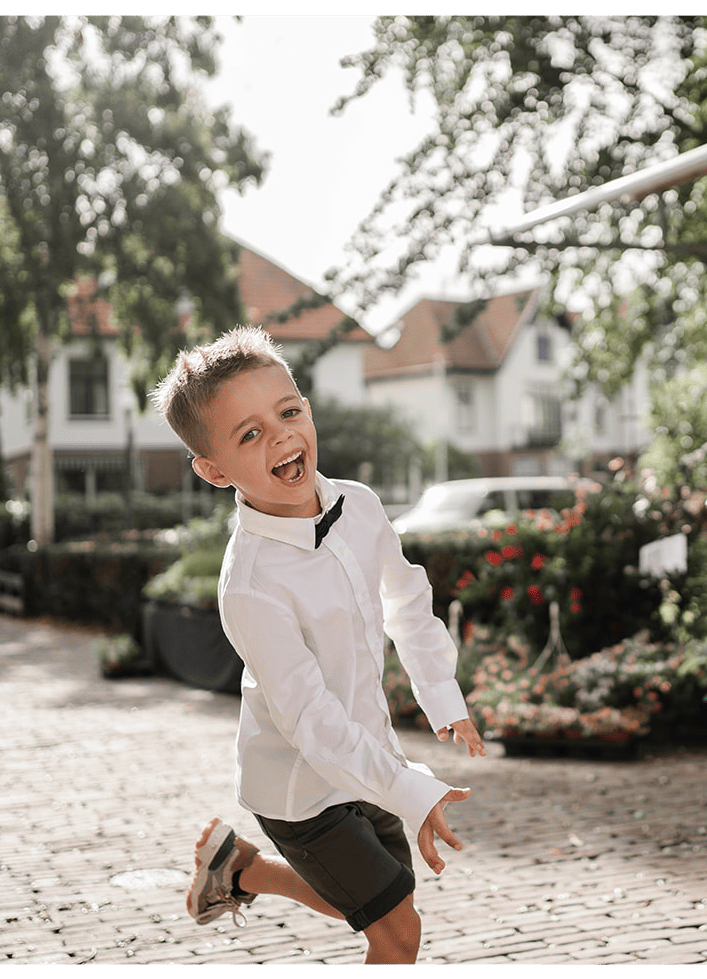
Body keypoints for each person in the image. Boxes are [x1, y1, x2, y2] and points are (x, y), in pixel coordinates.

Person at [150, 326, 486, 965]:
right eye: (249, 434)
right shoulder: (250, 585)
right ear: (214, 470)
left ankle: (241, 869)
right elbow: (312, 722)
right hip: (299, 786)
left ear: (306, 408)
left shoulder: (360, 506)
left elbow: (407, 598)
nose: (280, 437)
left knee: (376, 902)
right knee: (397, 929)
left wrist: (443, 696)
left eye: (288, 412)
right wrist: (411, 789)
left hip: (367, 755)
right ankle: (246, 868)